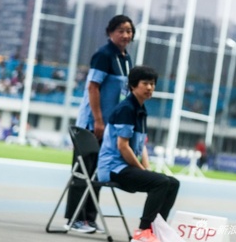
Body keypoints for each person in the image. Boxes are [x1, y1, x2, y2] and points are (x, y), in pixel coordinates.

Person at [64, 14, 135, 234]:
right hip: (93, 123)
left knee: (99, 171)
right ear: (110, 32)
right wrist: (98, 120)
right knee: (83, 171)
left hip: (110, 126)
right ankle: (74, 218)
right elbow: (93, 87)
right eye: (121, 30)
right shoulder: (103, 55)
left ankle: (89, 219)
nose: (125, 35)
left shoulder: (125, 58)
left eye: (129, 31)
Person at [98, 66, 180, 242]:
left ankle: (155, 229)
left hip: (127, 167)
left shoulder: (141, 110)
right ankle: (142, 232)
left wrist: (147, 168)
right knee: (160, 182)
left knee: (172, 183)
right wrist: (142, 170)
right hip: (113, 168)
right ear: (134, 85)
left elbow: (140, 145)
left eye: (153, 84)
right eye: (146, 83)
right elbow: (123, 146)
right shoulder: (127, 109)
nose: (150, 88)